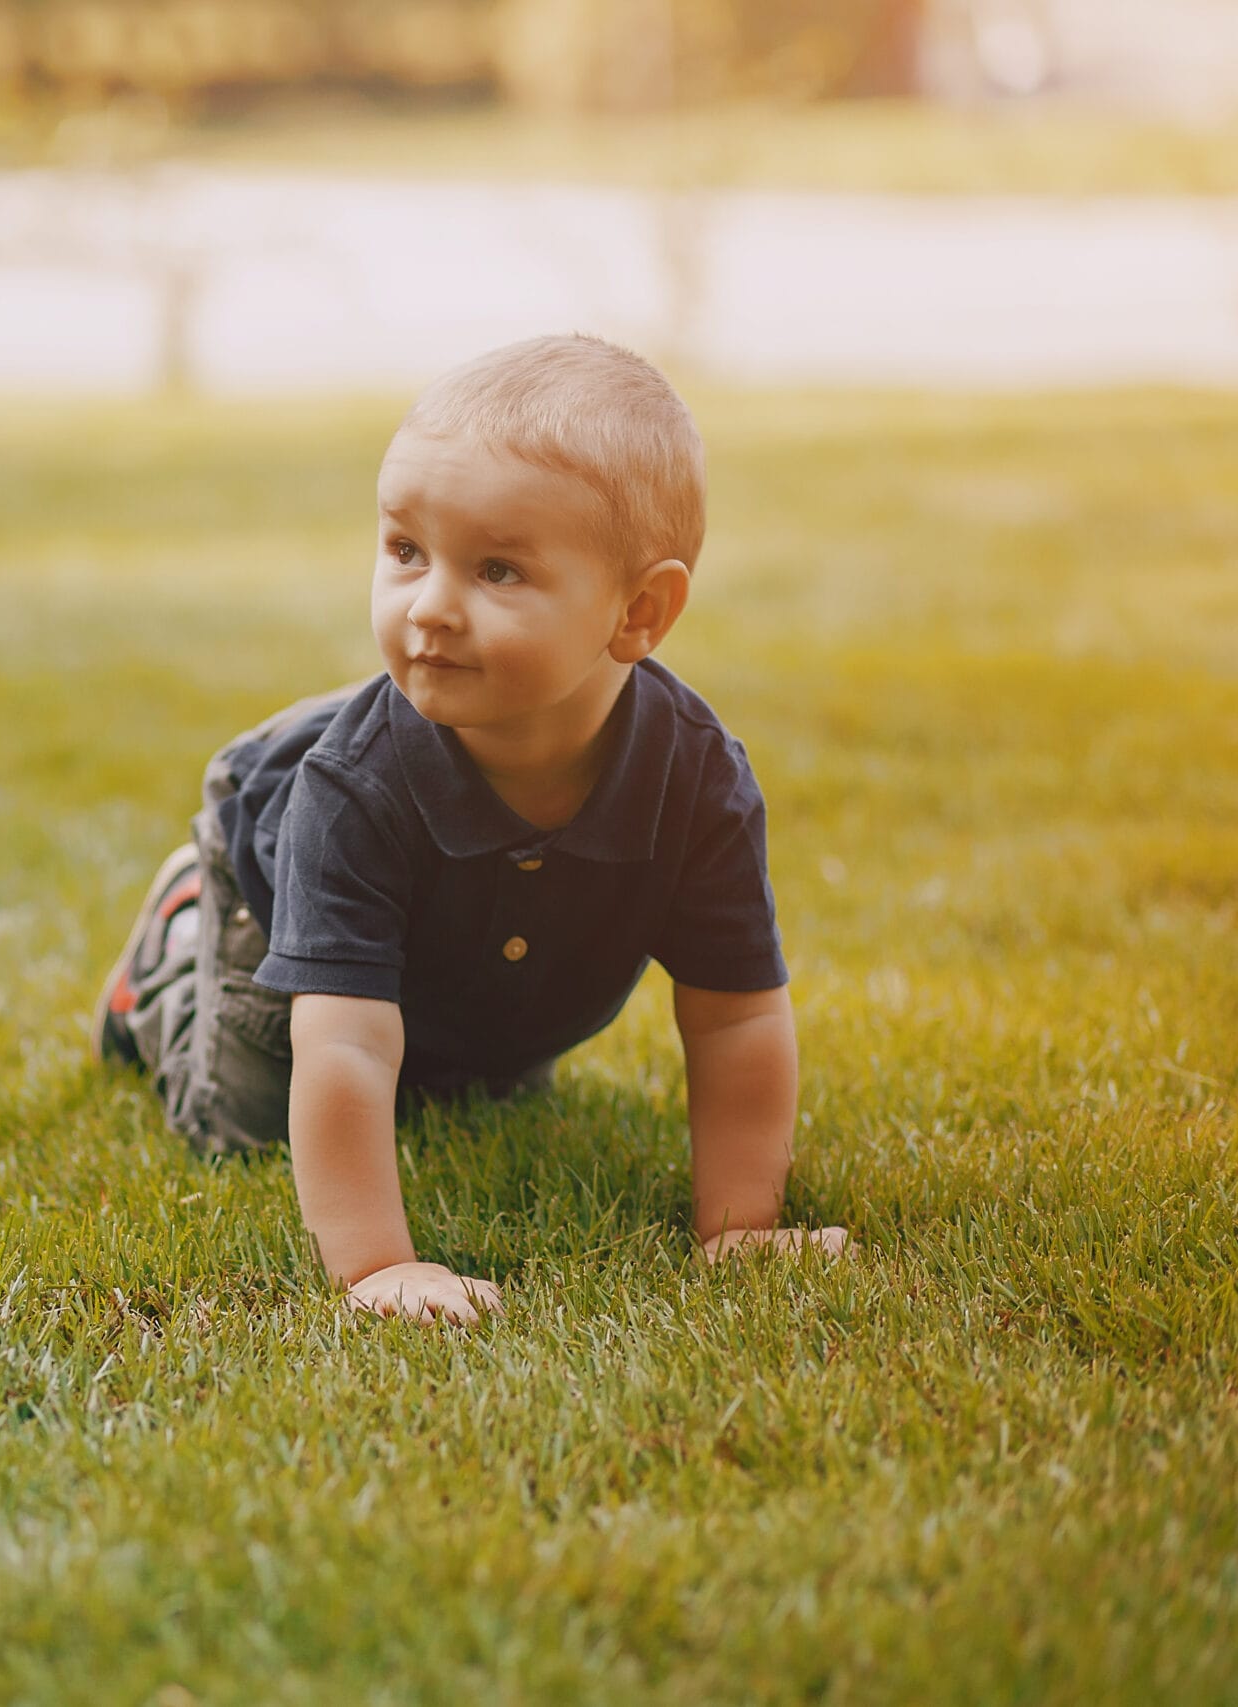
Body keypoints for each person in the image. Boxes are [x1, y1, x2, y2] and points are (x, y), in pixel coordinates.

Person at [93, 333, 849, 1324]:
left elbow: (735, 1014)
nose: (431, 608)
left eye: (497, 571)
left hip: (476, 947)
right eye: (405, 553)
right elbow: (347, 1048)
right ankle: (179, 937)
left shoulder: (694, 778)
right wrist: (375, 1269)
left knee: (476, 1077)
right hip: (277, 873)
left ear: (640, 612)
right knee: (247, 1119)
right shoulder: (353, 789)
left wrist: (740, 1224)